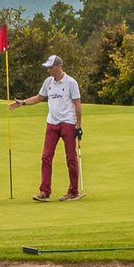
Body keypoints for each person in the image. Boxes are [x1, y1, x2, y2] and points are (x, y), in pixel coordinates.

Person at [9, 54, 82, 201]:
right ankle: (45, 191)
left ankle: (73, 191)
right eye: (47, 68)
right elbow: (39, 97)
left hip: (67, 122)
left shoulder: (71, 83)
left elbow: (78, 105)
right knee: (46, 157)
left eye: (50, 67)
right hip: (52, 123)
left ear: (59, 67)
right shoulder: (48, 82)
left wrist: (78, 126)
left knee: (70, 157)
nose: (48, 70)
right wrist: (22, 103)